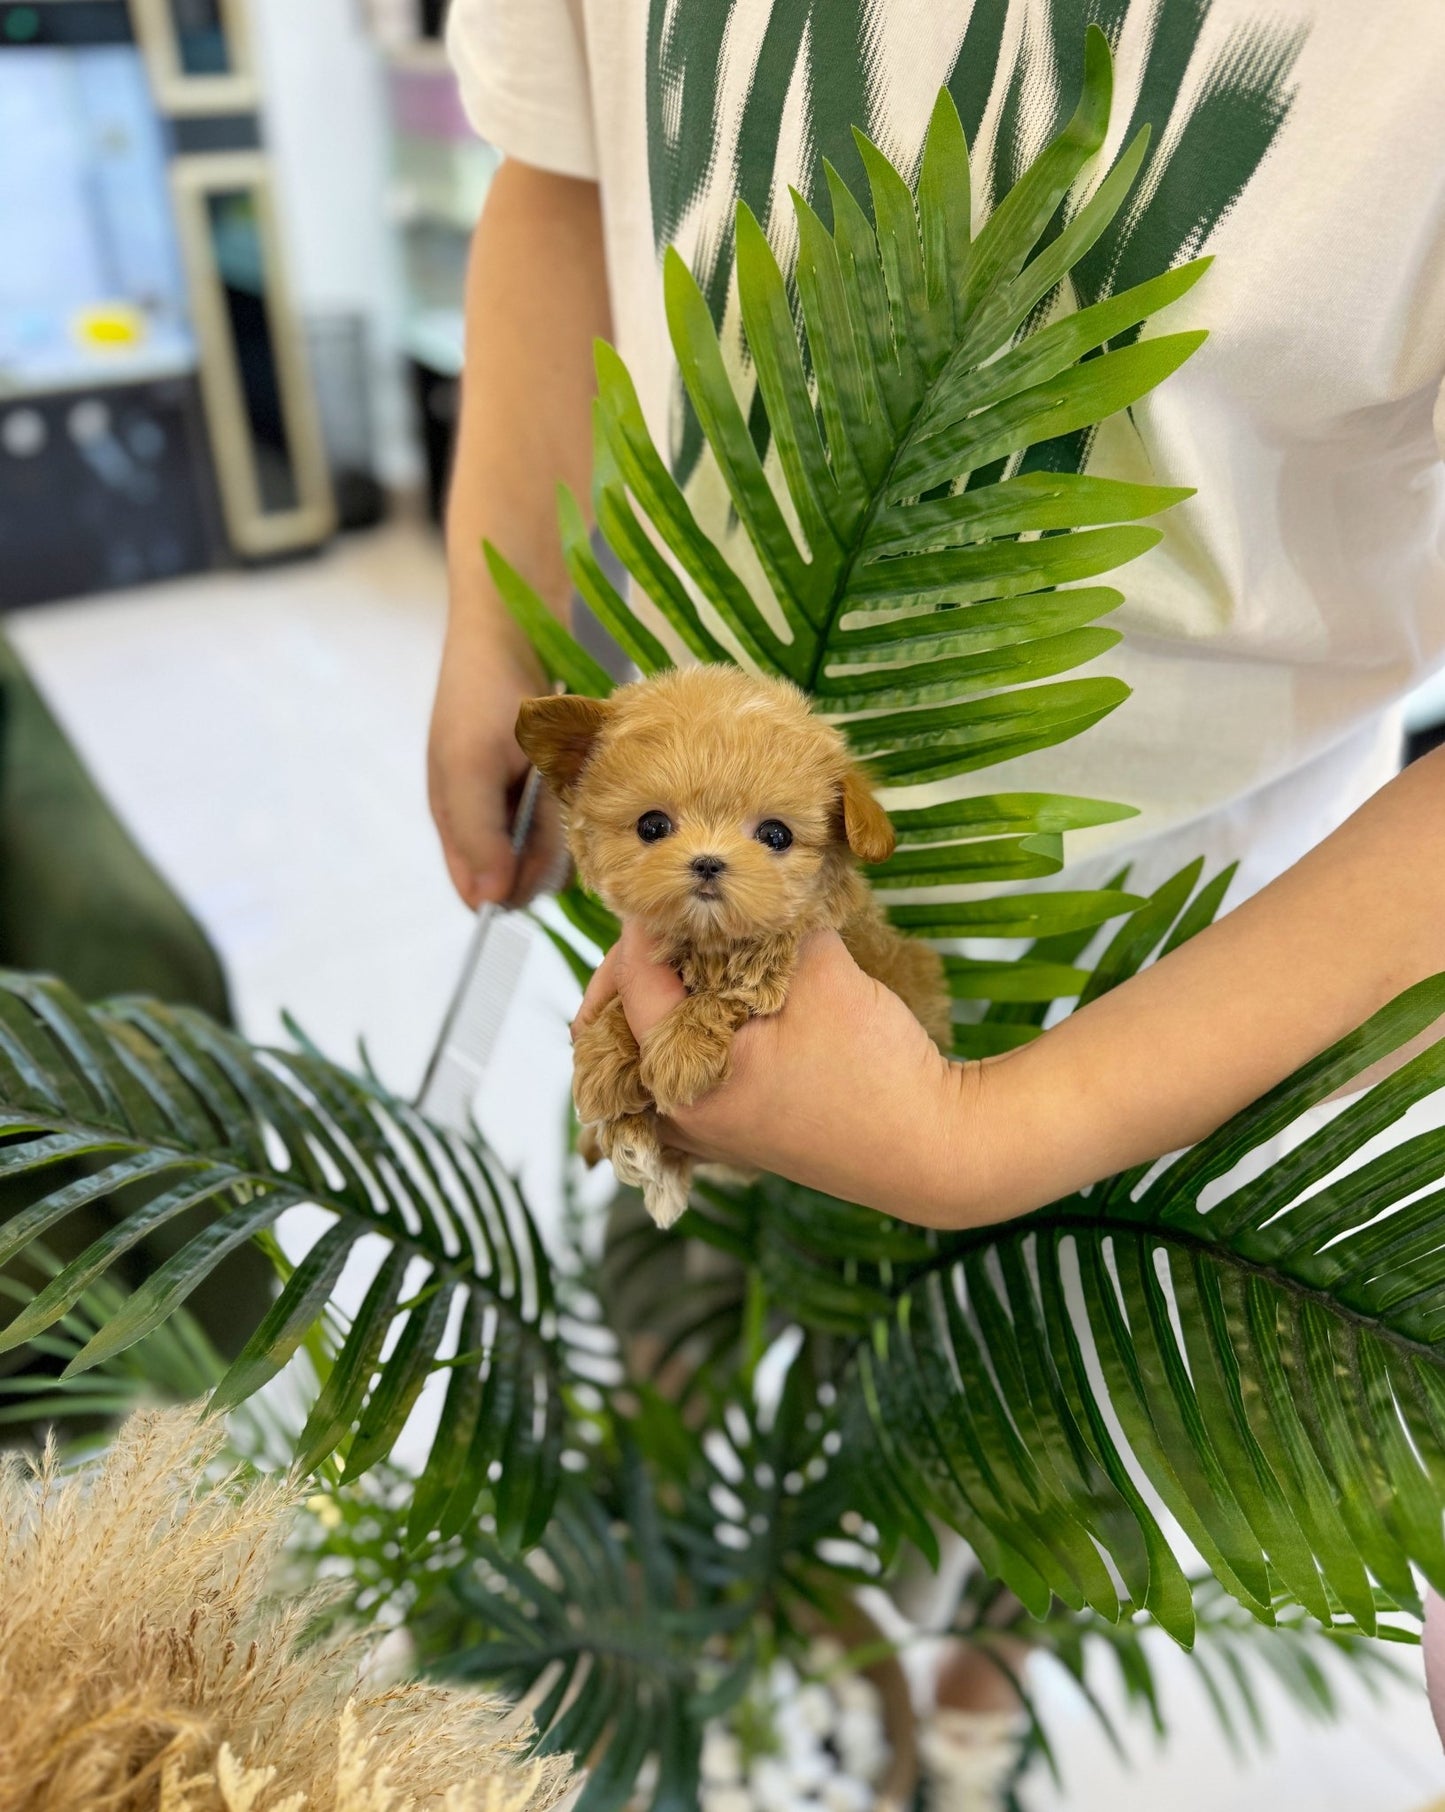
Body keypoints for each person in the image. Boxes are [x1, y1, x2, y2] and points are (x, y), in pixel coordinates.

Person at [431, 0, 1445, 1796]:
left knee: (1046, 1418)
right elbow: (559, 163)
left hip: (1196, 960)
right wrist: (492, 623)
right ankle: (740, 1654)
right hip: (693, 899)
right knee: (676, 1313)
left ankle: (971, 1687)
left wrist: (987, 1131)